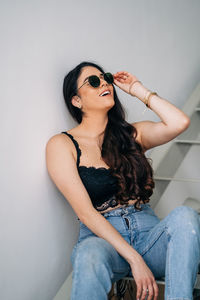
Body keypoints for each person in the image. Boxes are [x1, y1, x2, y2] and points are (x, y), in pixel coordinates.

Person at [45, 61, 200, 300]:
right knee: (88, 254)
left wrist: (137, 88)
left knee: (186, 216)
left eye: (105, 77)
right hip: (103, 242)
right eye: (94, 81)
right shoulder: (61, 145)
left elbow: (180, 122)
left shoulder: (132, 134)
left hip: (150, 238)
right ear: (76, 100)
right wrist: (134, 259)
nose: (105, 82)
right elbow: (86, 213)